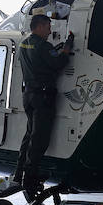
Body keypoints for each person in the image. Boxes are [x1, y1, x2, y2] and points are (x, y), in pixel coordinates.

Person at [12, 14, 73, 192]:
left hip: (29, 96)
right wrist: (67, 47)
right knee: (39, 139)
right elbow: (58, 62)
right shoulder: (43, 46)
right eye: (48, 27)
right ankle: (30, 178)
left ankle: (19, 172)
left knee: (29, 135)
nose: (50, 31)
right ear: (39, 27)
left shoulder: (24, 44)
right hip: (43, 97)